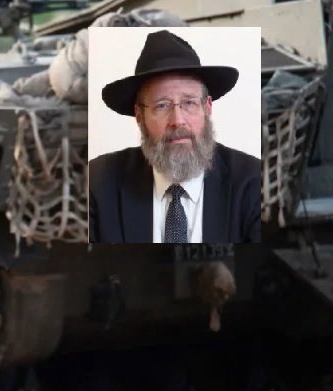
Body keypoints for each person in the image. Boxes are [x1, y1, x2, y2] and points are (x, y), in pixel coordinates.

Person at [89, 29, 261, 244]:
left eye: (189, 103)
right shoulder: (98, 182)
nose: (178, 121)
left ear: (207, 107)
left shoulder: (253, 182)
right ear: (139, 116)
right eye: (162, 106)